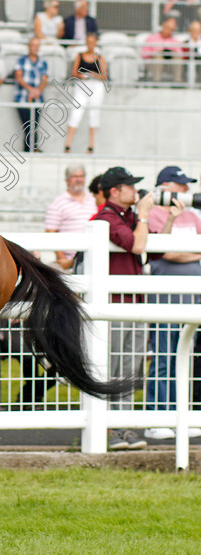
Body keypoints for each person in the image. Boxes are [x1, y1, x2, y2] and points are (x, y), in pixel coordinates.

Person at [92, 167, 153, 451]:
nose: (135, 191)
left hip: (132, 304)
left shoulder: (126, 216)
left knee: (129, 369)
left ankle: (122, 428)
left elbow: (155, 249)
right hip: (115, 306)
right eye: (130, 186)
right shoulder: (106, 217)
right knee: (113, 368)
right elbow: (136, 244)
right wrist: (142, 215)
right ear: (115, 190)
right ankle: (112, 430)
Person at [143, 166, 201, 440]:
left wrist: (185, 254)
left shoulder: (192, 215)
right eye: (181, 185)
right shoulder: (152, 213)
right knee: (164, 357)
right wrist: (191, 254)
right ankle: (158, 417)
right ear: (165, 187)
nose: (186, 191)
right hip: (165, 295)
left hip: (193, 298)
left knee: (187, 358)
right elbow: (163, 252)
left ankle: (182, 415)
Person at [44, 165, 97, 271]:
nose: (79, 179)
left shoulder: (93, 199)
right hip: (69, 260)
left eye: (81, 176)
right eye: (75, 176)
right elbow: (50, 232)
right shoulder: (58, 202)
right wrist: (63, 260)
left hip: (91, 257)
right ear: (67, 180)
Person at [63, 33, 108, 154]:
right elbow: (74, 72)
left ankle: (91, 145)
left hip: (96, 87)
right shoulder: (80, 55)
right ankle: (67, 144)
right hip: (82, 86)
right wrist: (82, 75)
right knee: (76, 113)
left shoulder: (100, 57)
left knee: (94, 114)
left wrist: (93, 74)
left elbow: (104, 76)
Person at [14, 36, 48, 153]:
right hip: (23, 98)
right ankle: (31, 149)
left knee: (34, 125)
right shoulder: (21, 60)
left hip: (37, 99)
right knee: (28, 125)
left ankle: (31, 149)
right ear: (29, 46)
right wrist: (31, 90)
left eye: (37, 45)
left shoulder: (42, 62)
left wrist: (37, 90)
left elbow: (44, 79)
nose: (35, 48)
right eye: (33, 45)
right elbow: (18, 77)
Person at [142, 17, 184, 83]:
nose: (169, 31)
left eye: (171, 29)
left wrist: (170, 52)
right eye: (168, 28)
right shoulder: (152, 38)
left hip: (169, 65)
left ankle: (177, 82)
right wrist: (159, 52)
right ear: (163, 25)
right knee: (158, 56)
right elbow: (144, 54)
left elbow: (180, 55)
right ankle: (156, 82)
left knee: (176, 56)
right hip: (154, 64)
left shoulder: (175, 41)